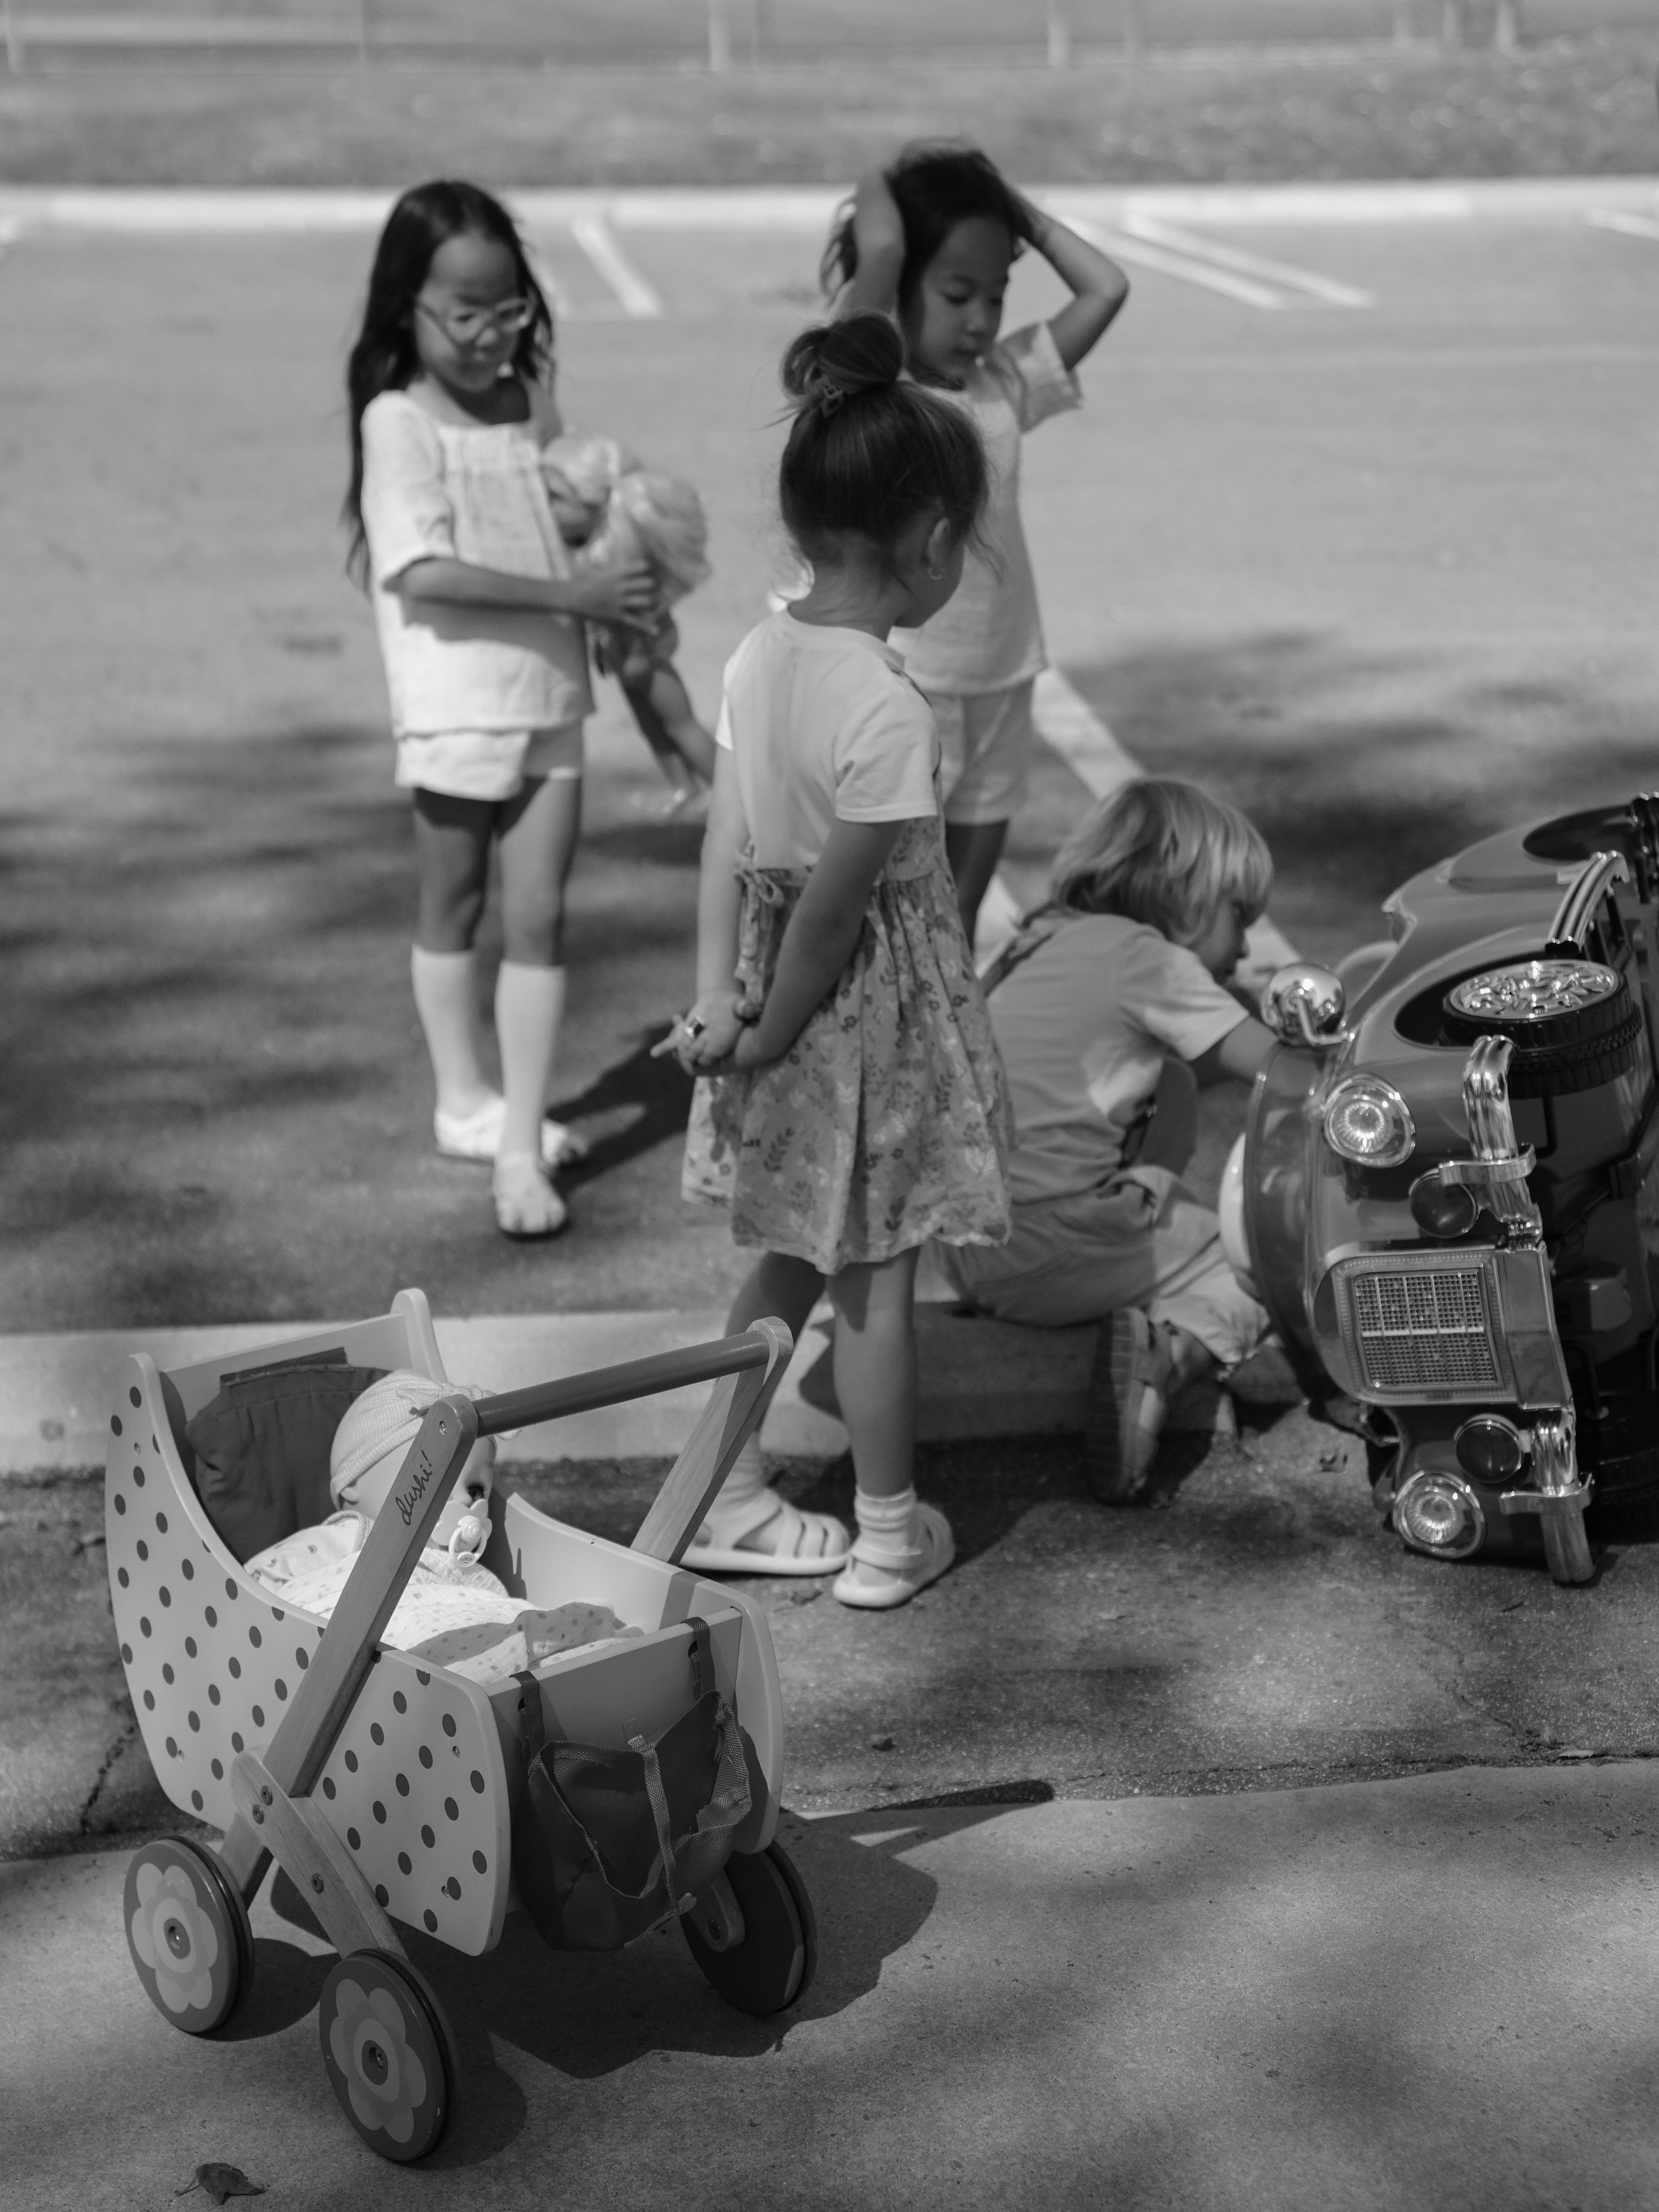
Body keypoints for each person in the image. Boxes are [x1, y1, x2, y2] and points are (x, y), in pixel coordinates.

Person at [660, 312, 1012, 1607]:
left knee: (786, 1255)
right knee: (874, 1272)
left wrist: (720, 997)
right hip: (857, 1019)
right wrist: (765, 1022)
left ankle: (726, 1488)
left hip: (771, 997)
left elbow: (728, 842)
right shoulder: (886, 704)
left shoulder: (758, 653)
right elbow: (836, 916)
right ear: (927, 542)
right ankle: (884, 1530)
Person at [344, 179, 659, 1239]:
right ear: (408, 308)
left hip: (552, 695)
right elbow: (421, 572)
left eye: (506, 308)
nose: (488, 334)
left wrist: (605, 539)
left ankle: (517, 1147)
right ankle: (461, 1098)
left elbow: (554, 519)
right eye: (462, 313)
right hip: (453, 704)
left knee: (541, 919)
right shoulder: (396, 422)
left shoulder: (530, 394)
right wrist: (571, 593)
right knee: (455, 906)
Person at [934, 778, 1277, 1505]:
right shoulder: (1144, 959)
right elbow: (1281, 1071)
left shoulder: (1035, 938)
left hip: (965, 1248)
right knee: (1261, 1262)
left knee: (1173, 1082)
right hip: (1044, 1247)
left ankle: (1133, 1246)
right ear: (1184, 895)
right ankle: (1165, 1354)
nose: (1245, 947)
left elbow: (1195, 1070)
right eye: (1238, 915)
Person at [822, 143, 1130, 946]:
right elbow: (884, 248)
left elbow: (1106, 285)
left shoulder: (1002, 380)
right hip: (904, 682)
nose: (982, 320)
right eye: (957, 293)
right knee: (881, 919)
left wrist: (1007, 205)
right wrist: (877, 182)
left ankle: (941, 1065)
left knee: (951, 923)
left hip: (1000, 670)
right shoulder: (874, 388)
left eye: (996, 295)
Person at [539, 432, 718, 813]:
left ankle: (732, 792)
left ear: (594, 499)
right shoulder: (596, 550)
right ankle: (684, 787)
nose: (546, 507)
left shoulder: (622, 555)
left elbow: (641, 615)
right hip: (625, 660)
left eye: (557, 498)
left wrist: (636, 654)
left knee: (680, 724)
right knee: (651, 726)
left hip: (645, 658)